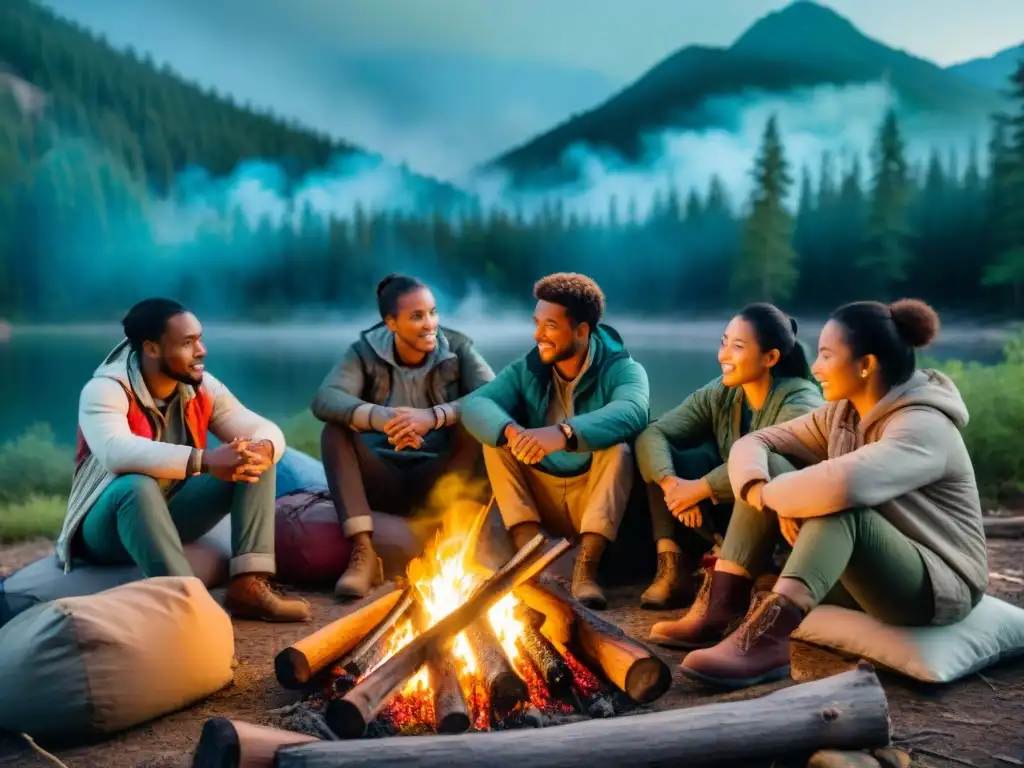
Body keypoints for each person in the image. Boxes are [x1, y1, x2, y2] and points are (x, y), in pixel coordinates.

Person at [654, 298, 988, 689]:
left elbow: (845, 486)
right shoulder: (842, 413)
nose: (815, 367)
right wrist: (762, 489)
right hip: (865, 573)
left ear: (866, 365)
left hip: (933, 584)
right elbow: (756, 442)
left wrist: (776, 499)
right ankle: (722, 605)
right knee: (773, 467)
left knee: (841, 507)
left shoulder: (922, 427)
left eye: (827, 355)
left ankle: (768, 643)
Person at [58, 298, 310, 622]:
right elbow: (115, 451)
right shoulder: (105, 389)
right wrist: (204, 460)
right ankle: (191, 609)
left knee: (250, 452)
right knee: (136, 485)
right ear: (151, 348)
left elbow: (263, 427)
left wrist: (263, 448)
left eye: (199, 339)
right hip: (107, 528)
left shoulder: (201, 385)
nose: (201, 350)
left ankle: (249, 584)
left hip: (172, 510)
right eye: (187, 343)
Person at [461, 272, 650, 609]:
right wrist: (510, 431)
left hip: (592, 496)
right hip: (543, 492)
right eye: (537, 323)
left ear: (581, 331)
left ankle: (586, 569)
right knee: (495, 441)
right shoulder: (529, 368)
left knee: (618, 448)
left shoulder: (623, 369)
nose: (538, 335)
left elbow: (633, 410)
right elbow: (476, 404)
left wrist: (562, 434)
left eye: (550, 326)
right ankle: (529, 554)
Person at [312, 273, 495, 600]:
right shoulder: (363, 352)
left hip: (439, 478)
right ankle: (364, 553)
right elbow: (326, 398)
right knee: (334, 431)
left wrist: (433, 417)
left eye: (433, 313)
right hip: (381, 477)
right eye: (416, 316)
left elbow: (495, 395)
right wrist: (381, 418)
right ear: (391, 323)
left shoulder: (459, 348)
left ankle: (466, 545)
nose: (430, 324)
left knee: (480, 425)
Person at [635, 303, 822, 610]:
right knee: (666, 458)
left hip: (779, 522)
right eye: (723, 343)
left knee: (766, 471)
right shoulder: (721, 392)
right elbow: (654, 435)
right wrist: (672, 486)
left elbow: (767, 460)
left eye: (737, 347)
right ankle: (673, 567)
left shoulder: (801, 400)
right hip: (727, 509)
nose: (723, 355)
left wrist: (699, 488)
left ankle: (763, 575)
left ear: (770, 358)